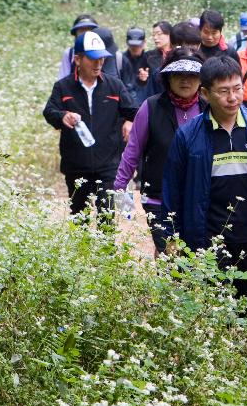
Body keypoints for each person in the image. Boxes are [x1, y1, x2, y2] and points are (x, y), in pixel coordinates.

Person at [161, 55, 247, 305]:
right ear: (205, 94)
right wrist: (171, 234)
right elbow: (173, 188)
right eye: (224, 91)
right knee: (213, 306)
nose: (232, 98)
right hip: (208, 236)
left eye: (237, 89)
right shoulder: (189, 135)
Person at [113, 48, 206, 255]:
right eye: (178, 75)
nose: (185, 81)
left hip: (199, 198)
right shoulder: (152, 107)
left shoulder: (208, 109)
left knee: (192, 257)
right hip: (158, 198)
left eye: (192, 75)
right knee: (170, 254)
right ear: (167, 77)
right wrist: (121, 187)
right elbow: (133, 150)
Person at [43, 30, 137, 226]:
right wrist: (62, 116)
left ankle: (106, 255)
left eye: (101, 58)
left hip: (109, 163)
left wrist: (129, 121)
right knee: (79, 218)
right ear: (78, 59)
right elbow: (49, 112)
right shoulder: (63, 87)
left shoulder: (114, 85)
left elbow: (133, 111)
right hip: (76, 165)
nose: (98, 63)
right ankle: (80, 255)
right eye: (93, 59)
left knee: (107, 216)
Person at [57, 14, 98, 79]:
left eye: (89, 30)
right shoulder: (69, 54)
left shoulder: (103, 53)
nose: (85, 34)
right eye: (82, 30)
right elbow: (62, 79)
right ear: (76, 34)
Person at [121, 26, 152, 107]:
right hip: (125, 104)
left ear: (144, 43)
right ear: (127, 43)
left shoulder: (149, 59)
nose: (135, 48)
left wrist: (143, 80)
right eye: (132, 45)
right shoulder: (120, 60)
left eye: (138, 45)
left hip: (145, 105)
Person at [143, 21, 173, 92]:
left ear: (169, 34)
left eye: (159, 34)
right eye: (153, 35)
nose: (155, 38)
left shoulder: (178, 54)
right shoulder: (148, 56)